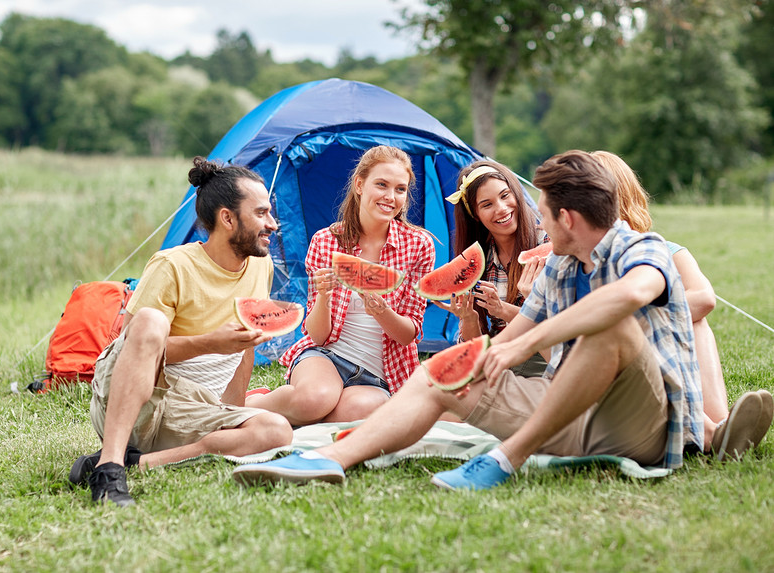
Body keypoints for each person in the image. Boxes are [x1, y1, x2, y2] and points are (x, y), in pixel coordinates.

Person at [232, 150, 705, 491]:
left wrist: (521, 346)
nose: (532, 221)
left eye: (539, 212)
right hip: (571, 418)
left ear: (568, 217)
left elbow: (630, 295)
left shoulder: (642, 249)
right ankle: (329, 460)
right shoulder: (559, 267)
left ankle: (507, 457)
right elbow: (508, 340)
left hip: (640, 423)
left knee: (614, 325)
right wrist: (465, 358)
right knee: (447, 367)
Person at [69, 157, 293, 507]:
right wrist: (209, 343)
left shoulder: (260, 265)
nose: (273, 224)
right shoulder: (173, 265)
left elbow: (244, 348)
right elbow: (135, 346)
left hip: (188, 411)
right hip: (135, 404)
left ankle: (138, 463)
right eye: (261, 213)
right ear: (228, 218)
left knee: (276, 430)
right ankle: (110, 466)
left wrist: (229, 414)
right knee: (151, 321)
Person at [591, 150, 773, 459]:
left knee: (695, 320)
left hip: (662, 351)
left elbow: (704, 298)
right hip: (616, 369)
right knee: (642, 330)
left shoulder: (663, 248)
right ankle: (714, 434)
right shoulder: (582, 262)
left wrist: (652, 314)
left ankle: (717, 425)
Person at [245, 145, 435, 426]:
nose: (390, 197)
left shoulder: (419, 245)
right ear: (359, 184)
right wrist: (323, 295)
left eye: (400, 189)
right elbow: (318, 336)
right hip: (326, 355)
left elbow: (409, 335)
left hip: (381, 373)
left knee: (353, 413)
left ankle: (300, 412)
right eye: (381, 184)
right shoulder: (326, 241)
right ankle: (250, 404)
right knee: (315, 399)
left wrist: (382, 311)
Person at [442, 159, 551, 377]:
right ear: (475, 215)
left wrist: (501, 309)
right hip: (500, 359)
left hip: (544, 360)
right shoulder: (478, 260)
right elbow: (477, 345)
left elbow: (558, 326)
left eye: (505, 196)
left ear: (516, 194)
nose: (501, 209)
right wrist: (469, 318)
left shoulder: (548, 246)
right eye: (487, 204)